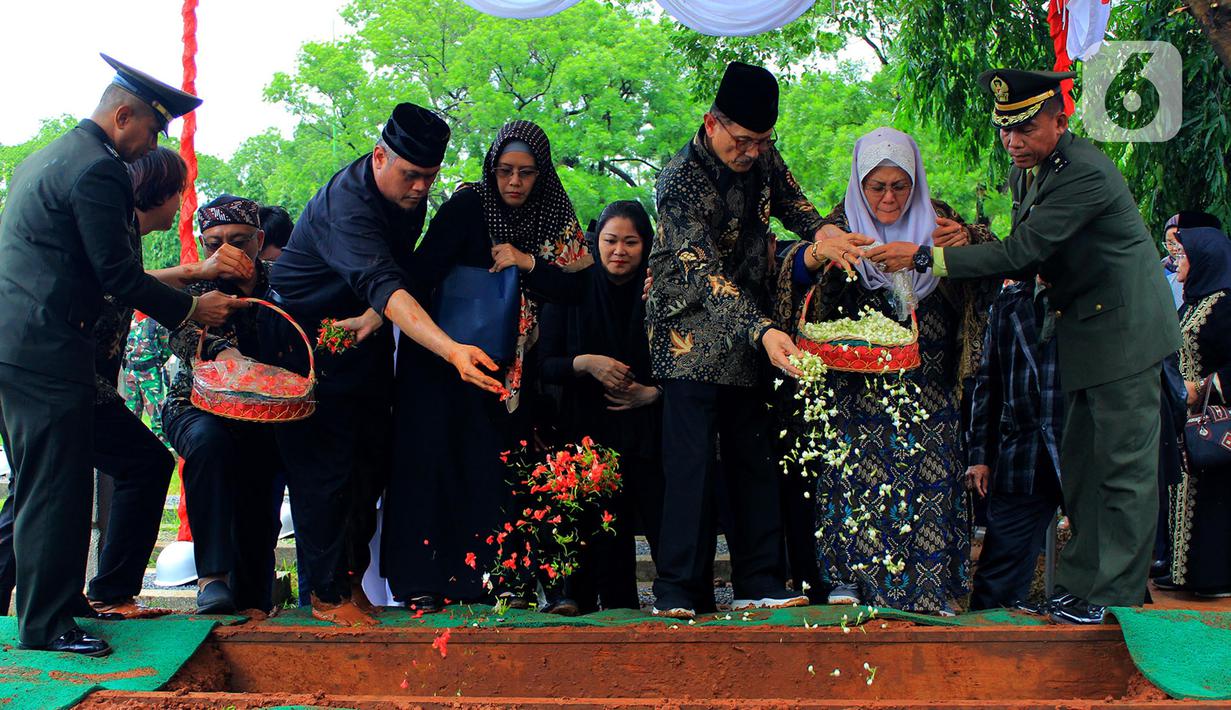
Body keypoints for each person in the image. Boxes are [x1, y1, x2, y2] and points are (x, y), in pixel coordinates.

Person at [868, 69, 1181, 624]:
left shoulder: (1084, 172)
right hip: (1085, 334)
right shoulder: (1031, 174)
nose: (1013, 141)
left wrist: (924, 256)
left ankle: (1118, 597)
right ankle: (1084, 585)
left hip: (1125, 336)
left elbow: (1025, 250)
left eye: (1026, 128)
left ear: (1061, 120)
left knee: (1124, 469)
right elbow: (1033, 256)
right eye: (1005, 129)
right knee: (1084, 468)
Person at [0, 55, 243, 656]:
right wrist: (191, 310)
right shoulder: (99, 169)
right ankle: (46, 624)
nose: (150, 146)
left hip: (25, 343)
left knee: (45, 484)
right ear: (123, 114)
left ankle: (62, 603)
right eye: (154, 131)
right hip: (47, 348)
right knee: (56, 487)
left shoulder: (47, 157)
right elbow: (118, 274)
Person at [645, 61, 868, 620]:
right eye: (742, 141)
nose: (751, 152)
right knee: (692, 466)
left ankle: (759, 579)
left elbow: (794, 206)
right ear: (711, 123)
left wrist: (824, 232)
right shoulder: (677, 180)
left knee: (754, 456)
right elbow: (703, 273)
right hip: (688, 333)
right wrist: (763, 329)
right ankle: (677, 591)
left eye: (762, 141)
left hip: (751, 331)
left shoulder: (763, 157)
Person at [264, 103, 500, 626]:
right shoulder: (347, 205)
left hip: (361, 333)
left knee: (368, 464)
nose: (419, 189)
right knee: (327, 472)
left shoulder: (408, 196)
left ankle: (350, 580)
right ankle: (324, 594)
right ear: (379, 157)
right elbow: (386, 283)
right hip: (303, 339)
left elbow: (391, 274)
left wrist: (374, 315)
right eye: (411, 175)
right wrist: (451, 349)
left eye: (429, 178)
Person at [775, 127, 995, 613]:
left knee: (929, 475)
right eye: (878, 187)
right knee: (857, 476)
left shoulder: (943, 223)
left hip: (930, 382)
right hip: (855, 386)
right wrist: (820, 257)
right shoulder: (837, 226)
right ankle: (849, 580)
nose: (890, 198)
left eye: (901, 186)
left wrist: (965, 243)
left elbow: (994, 264)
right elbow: (789, 273)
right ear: (859, 184)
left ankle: (930, 586)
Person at [383, 120, 591, 613]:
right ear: (491, 169)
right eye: (504, 171)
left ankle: (493, 581)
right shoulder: (467, 205)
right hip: (441, 361)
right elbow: (422, 269)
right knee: (433, 463)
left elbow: (580, 285)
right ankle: (423, 582)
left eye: (525, 173)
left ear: (541, 174)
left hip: (508, 369)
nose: (514, 183)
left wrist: (529, 263)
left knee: (492, 469)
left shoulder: (554, 215)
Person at [538, 200, 664, 613]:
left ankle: (648, 603)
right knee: (588, 519)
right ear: (596, 243)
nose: (619, 251)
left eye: (631, 242)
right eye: (610, 240)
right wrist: (587, 363)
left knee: (642, 517)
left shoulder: (659, 290)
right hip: (583, 430)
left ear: (646, 246)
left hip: (645, 431)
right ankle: (573, 600)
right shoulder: (573, 285)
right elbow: (544, 363)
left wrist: (651, 393)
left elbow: (686, 362)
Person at [163, 195, 284, 614]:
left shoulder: (283, 281)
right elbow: (179, 335)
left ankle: (254, 599)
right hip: (196, 405)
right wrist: (220, 352)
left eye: (239, 239)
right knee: (210, 442)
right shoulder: (194, 284)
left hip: (267, 410)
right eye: (214, 243)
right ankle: (211, 576)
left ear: (259, 239)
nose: (226, 251)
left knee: (261, 489)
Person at [966, 279, 1064, 610]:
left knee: (1108, 572)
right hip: (1023, 451)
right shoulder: (1010, 302)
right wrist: (981, 455)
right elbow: (988, 382)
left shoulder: (1095, 289)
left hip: (1085, 449)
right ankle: (983, 656)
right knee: (997, 578)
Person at [1161, 226, 1231, 597]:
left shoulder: (1228, 302)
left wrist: (1204, 388)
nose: (1176, 263)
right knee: (1185, 491)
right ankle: (1184, 571)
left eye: (1182, 255)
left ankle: (1214, 575)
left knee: (1214, 497)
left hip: (1217, 420)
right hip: (1186, 417)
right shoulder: (1192, 301)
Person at [121, 314, 173, 447]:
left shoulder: (156, 321)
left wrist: (155, 364)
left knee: (157, 415)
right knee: (130, 413)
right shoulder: (127, 318)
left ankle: (165, 449)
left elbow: (167, 348)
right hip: (130, 374)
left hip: (150, 374)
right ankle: (131, 447)